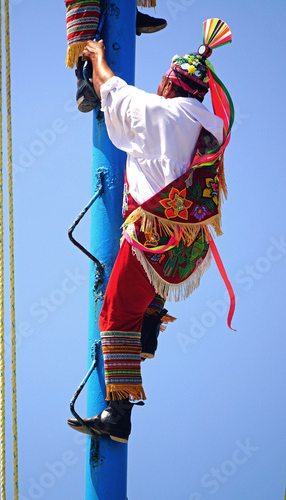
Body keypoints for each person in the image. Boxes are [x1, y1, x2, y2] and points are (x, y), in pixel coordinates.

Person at [67, 19, 233, 443]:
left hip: (152, 240)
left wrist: (98, 57)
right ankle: (148, 334)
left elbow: (111, 90)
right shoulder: (213, 126)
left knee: (115, 312)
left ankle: (117, 414)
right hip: (191, 245)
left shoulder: (158, 111)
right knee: (140, 298)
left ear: (167, 85)